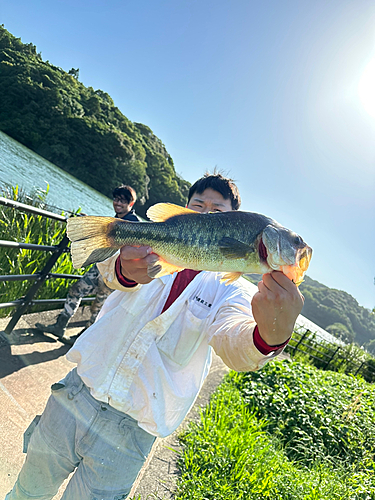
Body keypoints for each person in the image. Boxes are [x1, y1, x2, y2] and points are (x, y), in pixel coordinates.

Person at [6, 173, 304, 500]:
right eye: (197, 206)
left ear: (233, 219)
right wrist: (123, 268)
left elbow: (236, 344)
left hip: (131, 434)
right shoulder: (150, 251)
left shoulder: (235, 290)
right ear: (183, 209)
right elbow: (110, 273)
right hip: (75, 394)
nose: (205, 216)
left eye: (217, 212)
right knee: (27, 491)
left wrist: (271, 334)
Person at [35, 184, 140, 341]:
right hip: (99, 267)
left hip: (114, 273)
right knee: (76, 289)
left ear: (130, 204)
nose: (117, 203)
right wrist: (87, 222)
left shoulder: (133, 223)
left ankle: (82, 340)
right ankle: (60, 326)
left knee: (98, 307)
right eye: (116, 199)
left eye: (122, 201)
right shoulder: (117, 218)